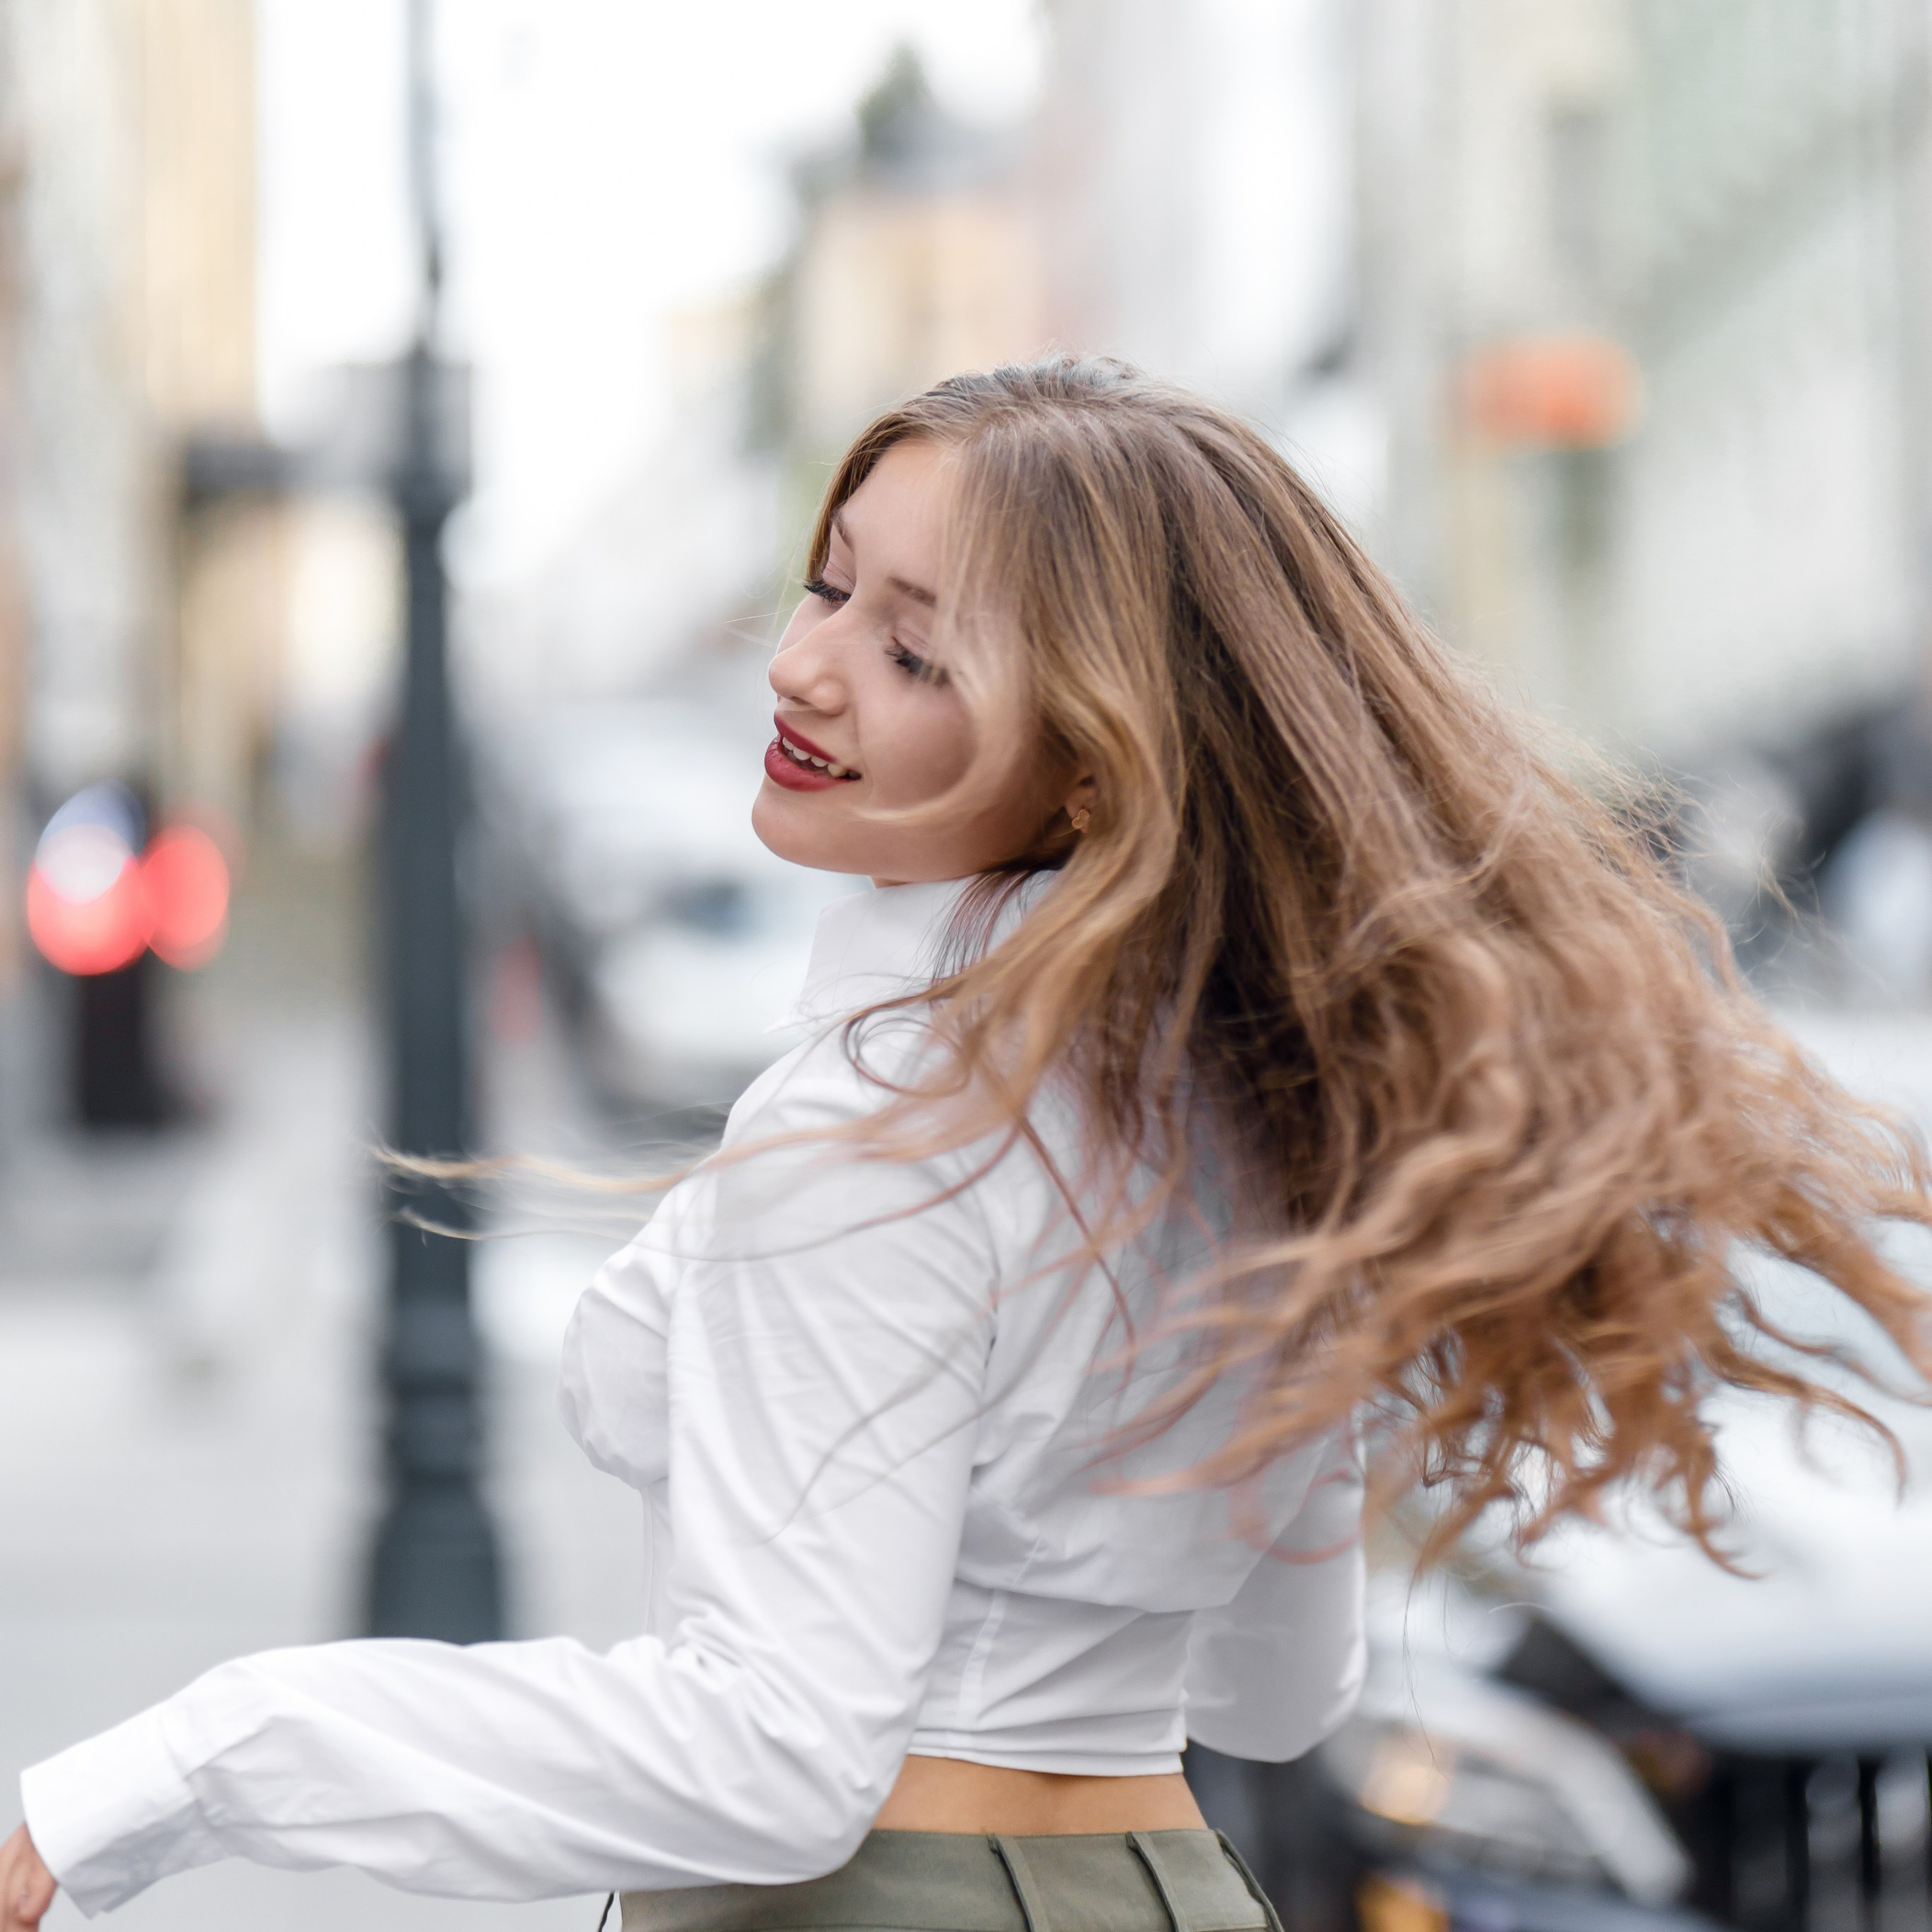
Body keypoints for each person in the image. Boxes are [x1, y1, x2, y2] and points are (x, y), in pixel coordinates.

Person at [8, 356, 1930, 1932]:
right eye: (829, 580)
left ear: (1094, 754)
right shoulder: (1255, 1112)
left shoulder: (872, 1136)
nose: (803, 665)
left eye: (914, 649)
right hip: (1167, 1881)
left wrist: (194, 1754)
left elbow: (764, 1757)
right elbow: (1271, 1685)